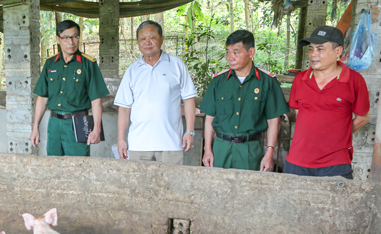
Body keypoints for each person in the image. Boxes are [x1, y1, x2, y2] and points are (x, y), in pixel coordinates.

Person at [284, 25, 370, 179]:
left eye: (320, 49)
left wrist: (339, 136)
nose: (313, 55)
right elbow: (300, 115)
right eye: (311, 49)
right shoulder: (300, 80)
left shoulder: (354, 80)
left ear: (338, 51)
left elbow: (363, 118)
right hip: (297, 161)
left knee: (337, 203)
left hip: (335, 163)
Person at [201, 30, 289, 171]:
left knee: (249, 190)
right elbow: (209, 118)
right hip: (221, 148)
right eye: (228, 52)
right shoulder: (218, 81)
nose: (230, 57)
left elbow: (273, 120)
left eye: (236, 52)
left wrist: (269, 153)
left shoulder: (267, 82)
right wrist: (207, 149)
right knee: (218, 189)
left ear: (251, 52)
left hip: (250, 149)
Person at [115, 21, 197, 164]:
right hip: (138, 144)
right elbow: (124, 108)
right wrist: (121, 139)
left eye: (152, 37)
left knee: (171, 185)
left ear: (162, 39)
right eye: (143, 39)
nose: (147, 42)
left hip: (171, 143)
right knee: (139, 185)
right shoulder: (132, 71)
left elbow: (189, 99)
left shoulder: (176, 65)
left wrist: (189, 131)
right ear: (138, 42)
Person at [30, 20, 109, 156]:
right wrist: (35, 127)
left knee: (79, 166)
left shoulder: (88, 64)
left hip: (77, 123)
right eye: (66, 38)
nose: (71, 42)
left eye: (75, 37)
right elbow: (42, 97)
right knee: (53, 165)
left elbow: (96, 100)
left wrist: (96, 129)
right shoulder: (50, 64)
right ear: (58, 39)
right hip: (54, 123)